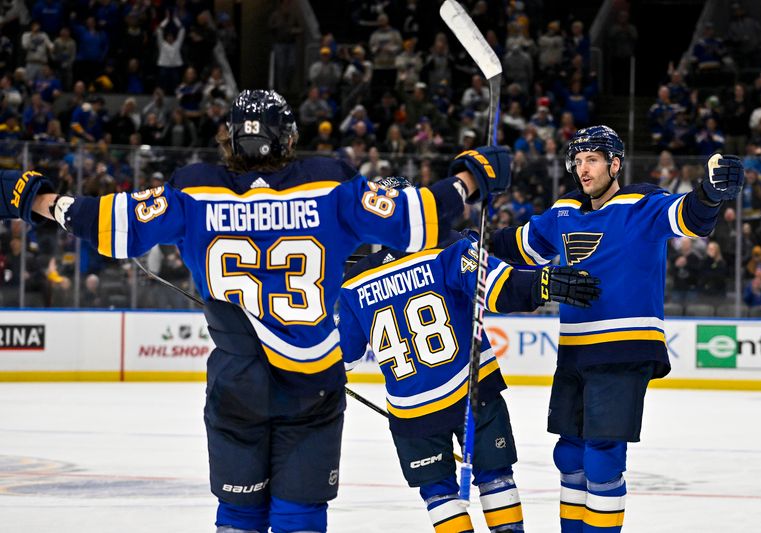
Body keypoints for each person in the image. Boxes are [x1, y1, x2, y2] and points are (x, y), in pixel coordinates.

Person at [0, 89, 512, 533]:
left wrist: (39, 198)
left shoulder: (193, 190)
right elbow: (417, 217)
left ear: (231, 138)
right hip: (311, 382)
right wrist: (471, 178)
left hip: (236, 382)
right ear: (287, 138)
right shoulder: (329, 185)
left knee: (238, 514)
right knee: (300, 515)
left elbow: (105, 223)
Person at [490, 125, 743, 533]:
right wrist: (466, 231)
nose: (583, 169)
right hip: (574, 352)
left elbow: (691, 216)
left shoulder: (643, 204)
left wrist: (711, 192)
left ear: (615, 163)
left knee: (602, 456)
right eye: (578, 161)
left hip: (624, 350)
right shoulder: (563, 213)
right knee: (569, 456)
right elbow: (511, 245)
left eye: (592, 159)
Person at [338, 176, 601, 533]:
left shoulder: (353, 281)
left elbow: (342, 357)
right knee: (495, 478)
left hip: (411, 413)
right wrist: (543, 283)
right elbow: (499, 289)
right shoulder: (449, 248)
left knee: (438, 494)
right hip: (471, 394)